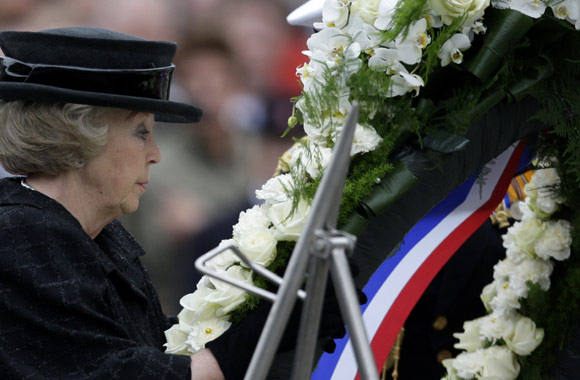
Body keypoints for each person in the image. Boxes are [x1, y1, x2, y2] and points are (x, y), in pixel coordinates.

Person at [0, 26, 273, 380]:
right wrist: (255, 337)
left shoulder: (96, 233)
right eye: (141, 132)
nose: (155, 155)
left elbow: (152, 348)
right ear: (76, 138)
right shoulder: (23, 235)